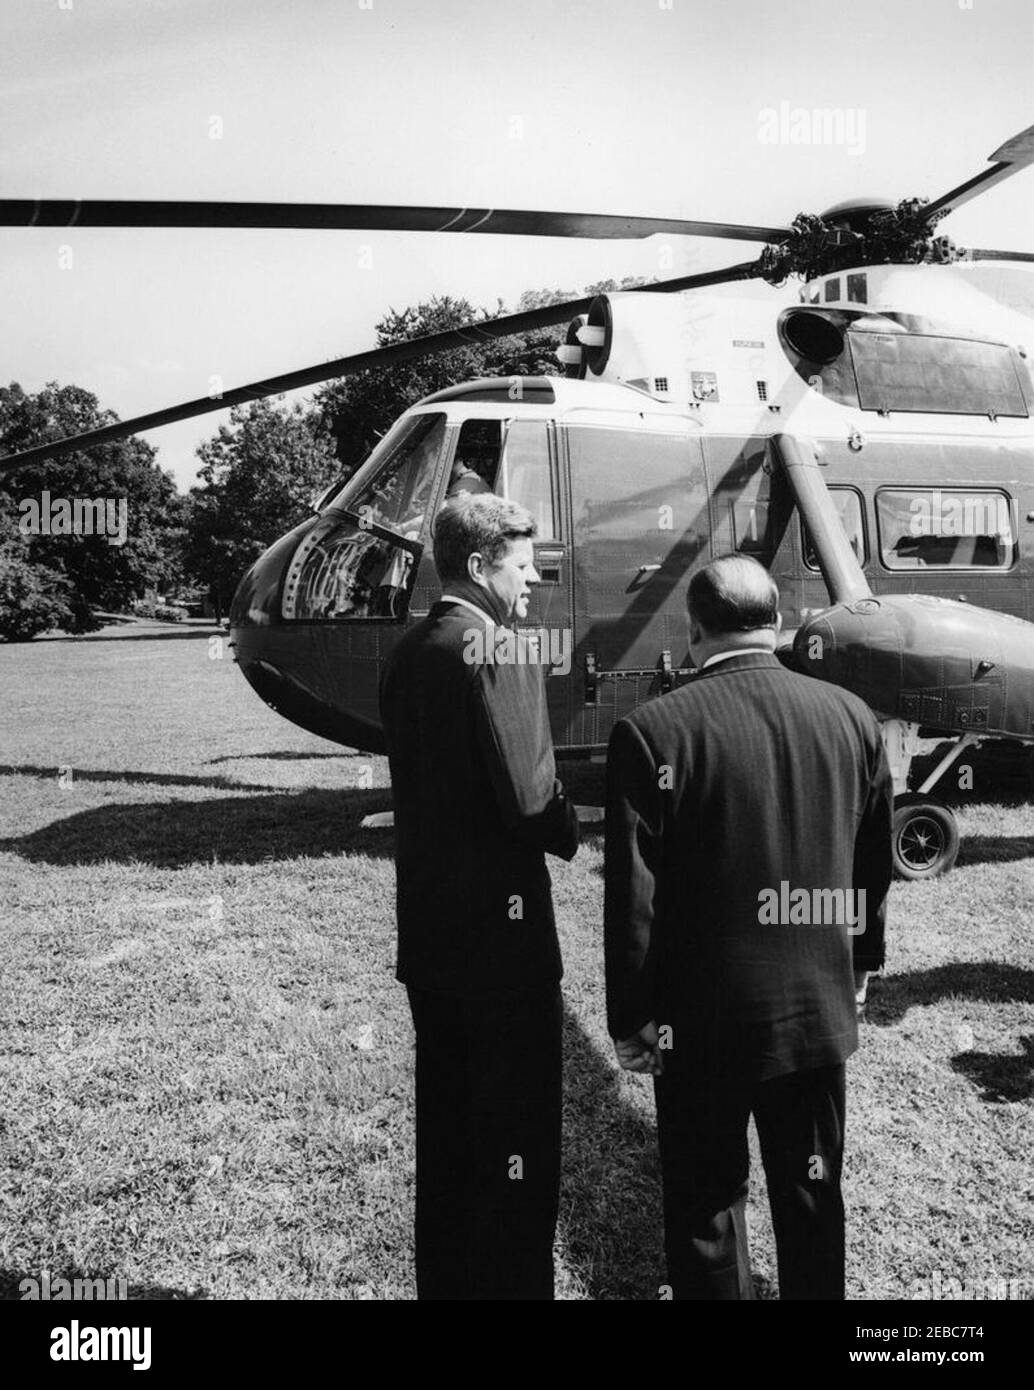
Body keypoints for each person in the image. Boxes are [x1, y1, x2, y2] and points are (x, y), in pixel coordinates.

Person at [604, 553, 892, 1300]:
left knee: (706, 1202)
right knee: (810, 1190)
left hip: (699, 1020)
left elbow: (636, 897)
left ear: (693, 629)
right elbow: (871, 865)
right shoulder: (852, 718)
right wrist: (860, 963)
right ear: (776, 621)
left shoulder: (651, 731)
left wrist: (632, 1015)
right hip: (815, 1009)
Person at [379, 492, 579, 1300]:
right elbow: (533, 802)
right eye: (524, 565)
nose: (534, 582)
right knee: (515, 1144)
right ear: (479, 565)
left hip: (432, 940)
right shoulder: (499, 647)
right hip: (504, 950)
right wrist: (575, 822)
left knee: (450, 1140)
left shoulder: (408, 650)